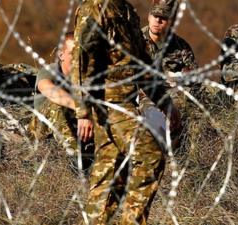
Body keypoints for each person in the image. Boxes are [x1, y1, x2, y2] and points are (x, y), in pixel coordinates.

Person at [72, 0, 167, 224]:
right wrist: (83, 111)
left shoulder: (126, 10)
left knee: (109, 177)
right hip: (107, 102)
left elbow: (140, 63)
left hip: (127, 100)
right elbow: (81, 61)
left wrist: (163, 99)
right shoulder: (94, 8)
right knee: (150, 153)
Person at [29, 32, 93, 174]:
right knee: (57, 106)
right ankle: (77, 163)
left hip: (77, 129)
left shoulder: (87, 77)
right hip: (42, 132)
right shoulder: (50, 71)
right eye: (72, 53)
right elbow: (49, 90)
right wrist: (83, 109)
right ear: (61, 54)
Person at [143, 0, 197, 75]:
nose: (158, 20)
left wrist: (177, 78)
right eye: (155, 15)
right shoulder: (135, 40)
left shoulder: (182, 48)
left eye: (163, 17)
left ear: (172, 22)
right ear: (149, 16)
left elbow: (195, 77)